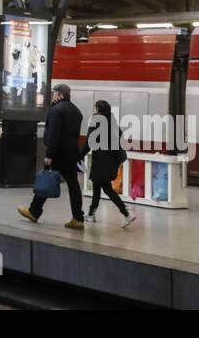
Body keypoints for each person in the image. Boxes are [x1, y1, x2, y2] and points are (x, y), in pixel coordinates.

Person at [18, 83, 85, 229]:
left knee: (46, 179)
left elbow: (54, 133)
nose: (53, 96)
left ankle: (34, 211)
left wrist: (49, 154)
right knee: (73, 185)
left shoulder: (57, 110)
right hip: (72, 152)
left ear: (60, 95)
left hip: (59, 152)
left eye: (55, 93)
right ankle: (78, 218)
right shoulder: (76, 111)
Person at [81, 100, 136, 227]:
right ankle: (91, 213)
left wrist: (80, 155)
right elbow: (122, 139)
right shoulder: (113, 121)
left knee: (105, 189)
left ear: (98, 109)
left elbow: (90, 141)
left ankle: (126, 213)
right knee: (101, 187)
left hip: (100, 160)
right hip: (112, 162)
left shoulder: (96, 120)